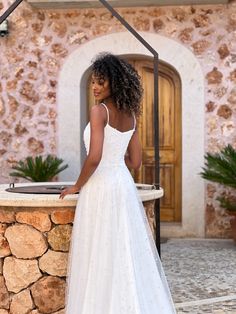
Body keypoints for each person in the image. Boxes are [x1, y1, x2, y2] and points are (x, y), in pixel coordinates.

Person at [60, 52, 176, 314]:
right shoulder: (131, 115)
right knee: (123, 248)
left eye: (101, 82)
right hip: (122, 184)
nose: (95, 87)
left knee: (99, 249)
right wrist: (117, 152)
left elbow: (94, 157)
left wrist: (76, 186)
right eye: (94, 82)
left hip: (100, 186)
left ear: (114, 83)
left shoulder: (99, 111)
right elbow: (136, 161)